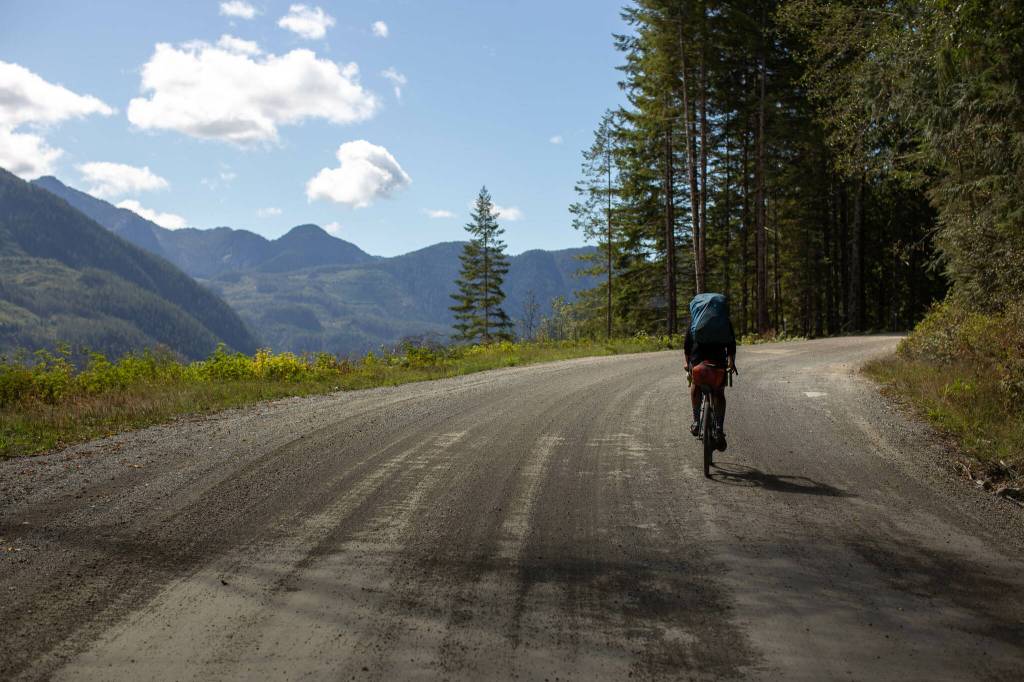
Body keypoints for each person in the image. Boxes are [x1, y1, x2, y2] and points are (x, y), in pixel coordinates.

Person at [684, 293, 737, 449]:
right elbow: (731, 344)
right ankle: (719, 429)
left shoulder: (696, 319)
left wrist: (687, 364)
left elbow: (687, 346)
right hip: (718, 359)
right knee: (719, 392)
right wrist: (731, 362)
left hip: (698, 357)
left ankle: (696, 421)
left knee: (695, 384)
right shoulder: (724, 321)